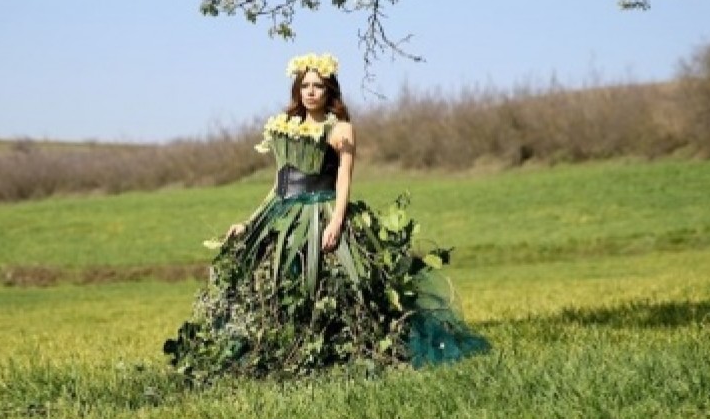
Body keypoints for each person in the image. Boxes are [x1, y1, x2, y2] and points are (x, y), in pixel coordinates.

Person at [164, 53, 489, 380]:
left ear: (329, 89)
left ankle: (346, 346)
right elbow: (280, 183)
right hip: (283, 214)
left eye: (317, 86)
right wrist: (249, 222)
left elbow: (344, 177)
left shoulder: (341, 128)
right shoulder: (286, 126)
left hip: (323, 211)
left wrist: (336, 222)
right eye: (304, 85)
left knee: (335, 284)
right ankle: (281, 348)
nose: (310, 92)